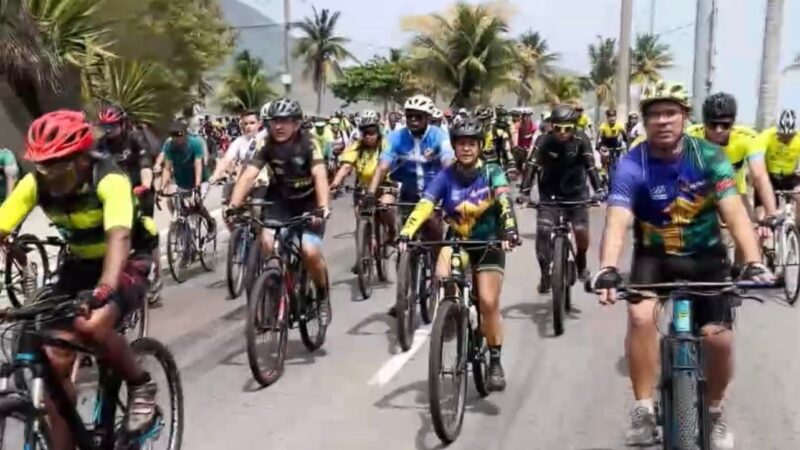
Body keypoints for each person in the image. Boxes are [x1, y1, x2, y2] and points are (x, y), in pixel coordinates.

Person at [591, 80, 773, 449]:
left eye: (670, 112)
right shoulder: (632, 164)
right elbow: (618, 218)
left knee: (718, 340)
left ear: (685, 117)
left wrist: (753, 260)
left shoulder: (709, 156)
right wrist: (608, 266)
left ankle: (716, 412)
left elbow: (735, 212)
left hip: (706, 258)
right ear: (644, 121)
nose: (663, 121)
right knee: (642, 318)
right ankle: (643, 410)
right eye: (655, 114)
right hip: (654, 259)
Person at [0, 110, 161, 449]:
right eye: (43, 165)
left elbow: (119, 236)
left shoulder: (109, 179)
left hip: (130, 258)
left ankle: (139, 383)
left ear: (82, 158)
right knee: (55, 360)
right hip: (80, 263)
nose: (50, 174)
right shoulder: (37, 182)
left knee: (91, 325)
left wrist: (105, 288)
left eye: (58, 165)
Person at [398, 117, 519, 391]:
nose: (466, 149)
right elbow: (426, 204)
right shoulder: (446, 175)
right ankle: (452, 315)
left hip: (489, 242)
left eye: (471, 144)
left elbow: (503, 199)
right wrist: (407, 232)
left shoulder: (492, 171)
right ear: (454, 146)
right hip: (458, 240)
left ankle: (495, 359)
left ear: (480, 146)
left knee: (488, 302)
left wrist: (510, 229)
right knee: (443, 276)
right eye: (461, 144)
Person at [226, 98, 332, 324]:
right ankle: (275, 285)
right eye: (274, 121)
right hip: (280, 202)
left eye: (284, 121)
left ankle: (322, 296)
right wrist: (233, 206)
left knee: (310, 251)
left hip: (309, 204)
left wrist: (323, 207)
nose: (278, 126)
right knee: (266, 242)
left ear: (296, 124)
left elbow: (320, 176)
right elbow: (248, 175)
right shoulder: (266, 147)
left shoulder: (309, 144)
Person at [366, 94, 454, 315]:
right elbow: (383, 166)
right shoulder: (396, 137)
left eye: (418, 117)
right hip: (409, 193)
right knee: (405, 245)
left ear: (427, 118)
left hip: (434, 193)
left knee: (434, 231)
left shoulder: (439, 135)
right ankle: (402, 294)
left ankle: (440, 276)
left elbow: (448, 162)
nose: (413, 120)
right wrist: (370, 191)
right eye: (409, 116)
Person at [520, 104, 604, 292]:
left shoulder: (582, 140)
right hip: (549, 194)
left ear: (574, 127)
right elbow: (531, 166)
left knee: (581, 230)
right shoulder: (543, 141)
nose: (562, 133)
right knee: (543, 231)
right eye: (557, 128)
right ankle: (545, 275)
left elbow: (591, 167)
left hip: (577, 194)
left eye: (567, 129)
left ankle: (581, 262)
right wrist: (524, 192)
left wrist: (599, 190)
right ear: (551, 126)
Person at [686, 93, 777, 254]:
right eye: (712, 125)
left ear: (733, 124)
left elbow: (759, 176)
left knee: (750, 236)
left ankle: (741, 271)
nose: (719, 130)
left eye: (725, 125)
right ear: (704, 123)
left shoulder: (747, 138)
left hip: (734, 191)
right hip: (700, 191)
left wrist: (771, 214)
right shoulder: (689, 136)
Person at [96, 104, 161, 302]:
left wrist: (146, 184)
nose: (109, 131)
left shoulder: (135, 138)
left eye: (113, 126)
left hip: (138, 191)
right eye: (105, 127)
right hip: (115, 195)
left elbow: (145, 165)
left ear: (122, 124)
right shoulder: (101, 145)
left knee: (146, 231)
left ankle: (155, 276)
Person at [330, 110, 391, 272]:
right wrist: (335, 183)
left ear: (378, 132)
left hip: (384, 186)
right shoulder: (356, 146)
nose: (369, 136)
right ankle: (361, 257)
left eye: (372, 133)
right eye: (365, 133)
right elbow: (346, 166)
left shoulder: (385, 144)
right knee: (360, 221)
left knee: (385, 208)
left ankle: (390, 233)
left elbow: (386, 165)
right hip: (362, 188)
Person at [159, 121, 216, 235]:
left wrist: (197, 186)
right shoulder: (169, 145)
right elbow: (167, 168)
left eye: (179, 135)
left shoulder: (195, 143)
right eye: (173, 135)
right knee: (171, 201)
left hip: (201, 180)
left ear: (186, 134)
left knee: (195, 203)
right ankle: (181, 223)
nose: (176, 139)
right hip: (182, 182)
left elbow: (198, 165)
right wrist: (162, 187)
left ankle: (210, 222)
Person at [758, 108, 800, 227]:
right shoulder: (767, 135)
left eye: (789, 136)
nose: (786, 139)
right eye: (782, 136)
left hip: (790, 177)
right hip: (771, 177)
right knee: (763, 216)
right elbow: (755, 158)